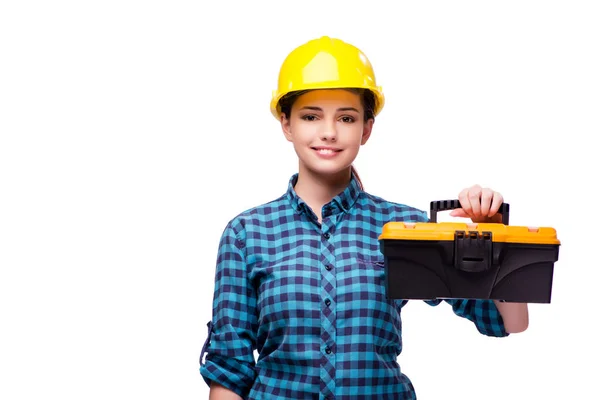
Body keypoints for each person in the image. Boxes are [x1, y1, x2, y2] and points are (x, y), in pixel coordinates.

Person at [198, 36, 529, 400]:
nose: (329, 131)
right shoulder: (247, 234)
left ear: (366, 129)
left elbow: (507, 322)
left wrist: (497, 239)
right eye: (311, 116)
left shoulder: (405, 229)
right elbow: (230, 368)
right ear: (287, 125)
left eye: (346, 117)